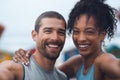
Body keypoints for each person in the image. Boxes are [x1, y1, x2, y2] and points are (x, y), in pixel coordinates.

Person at [13, 0, 120, 80]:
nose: (81, 38)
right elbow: (46, 73)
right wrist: (25, 56)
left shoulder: (104, 61)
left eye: (89, 32)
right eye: (76, 31)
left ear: (102, 35)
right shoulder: (76, 63)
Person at [0, 11, 68, 80]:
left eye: (61, 32)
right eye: (48, 31)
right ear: (34, 35)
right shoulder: (16, 69)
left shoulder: (62, 77)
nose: (55, 37)